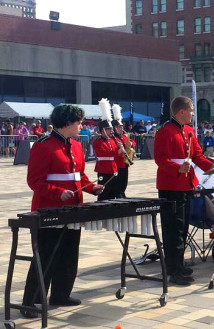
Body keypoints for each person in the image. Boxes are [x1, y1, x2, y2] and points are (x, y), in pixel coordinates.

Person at [21, 104, 104, 318]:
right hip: (48, 208)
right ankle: (31, 301)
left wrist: (92, 188)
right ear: (67, 123)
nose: (81, 126)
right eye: (79, 122)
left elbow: (79, 177)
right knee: (46, 255)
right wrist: (58, 193)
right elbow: (34, 181)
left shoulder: (76, 145)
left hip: (73, 207)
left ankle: (61, 294)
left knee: (69, 253)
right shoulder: (42, 145)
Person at [154, 96, 214, 286]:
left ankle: (179, 264)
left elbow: (198, 156)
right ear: (181, 112)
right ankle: (173, 270)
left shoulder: (189, 131)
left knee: (182, 228)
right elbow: (160, 159)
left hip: (186, 184)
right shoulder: (165, 131)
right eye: (191, 110)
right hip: (170, 185)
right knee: (173, 229)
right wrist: (176, 169)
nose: (193, 113)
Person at [93, 99, 119, 201]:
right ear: (103, 130)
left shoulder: (113, 140)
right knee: (104, 193)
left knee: (112, 192)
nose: (111, 131)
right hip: (103, 169)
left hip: (113, 168)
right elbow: (103, 153)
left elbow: (117, 153)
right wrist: (118, 152)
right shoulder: (98, 142)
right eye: (108, 129)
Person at [111, 104, 133, 198]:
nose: (122, 128)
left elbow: (131, 142)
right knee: (118, 182)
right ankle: (119, 194)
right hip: (118, 163)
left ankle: (122, 193)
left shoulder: (124, 136)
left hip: (125, 163)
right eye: (119, 127)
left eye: (121, 126)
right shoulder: (113, 138)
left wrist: (131, 144)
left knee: (124, 181)